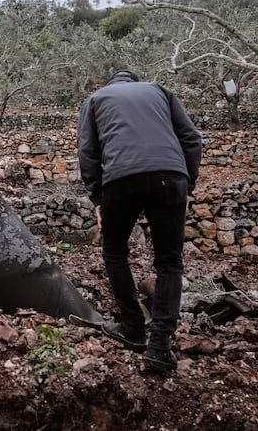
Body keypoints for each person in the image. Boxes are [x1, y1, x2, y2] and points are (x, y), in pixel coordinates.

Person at [77, 69, 202, 373]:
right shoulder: (159, 91)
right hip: (171, 176)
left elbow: (87, 152)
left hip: (121, 180)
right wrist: (187, 182)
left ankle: (132, 328)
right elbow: (192, 138)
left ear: (112, 83)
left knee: (114, 251)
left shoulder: (96, 98)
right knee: (170, 262)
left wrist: (97, 199)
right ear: (134, 81)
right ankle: (159, 346)